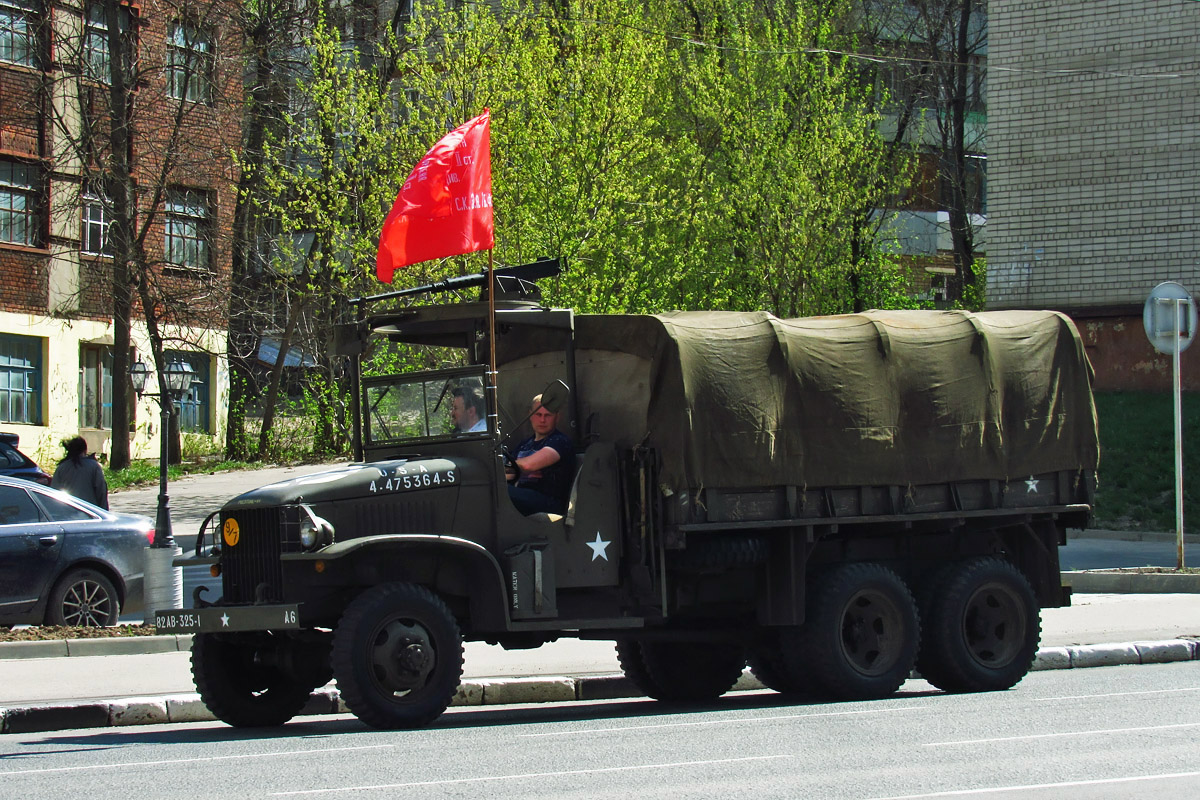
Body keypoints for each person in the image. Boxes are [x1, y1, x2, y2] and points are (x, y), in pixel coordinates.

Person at [507, 394, 576, 515]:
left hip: (548, 502)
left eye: (548, 415)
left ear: (557, 417)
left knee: (500, 492)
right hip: (523, 496)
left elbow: (528, 465)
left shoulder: (560, 441)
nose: (542, 420)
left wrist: (507, 468)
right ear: (530, 415)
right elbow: (508, 474)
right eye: (538, 414)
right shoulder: (524, 445)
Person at [51, 437, 108, 509]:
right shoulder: (94, 466)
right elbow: (101, 491)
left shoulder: (62, 467)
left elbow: (54, 491)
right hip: (90, 511)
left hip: (67, 511)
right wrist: (104, 511)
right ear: (85, 450)